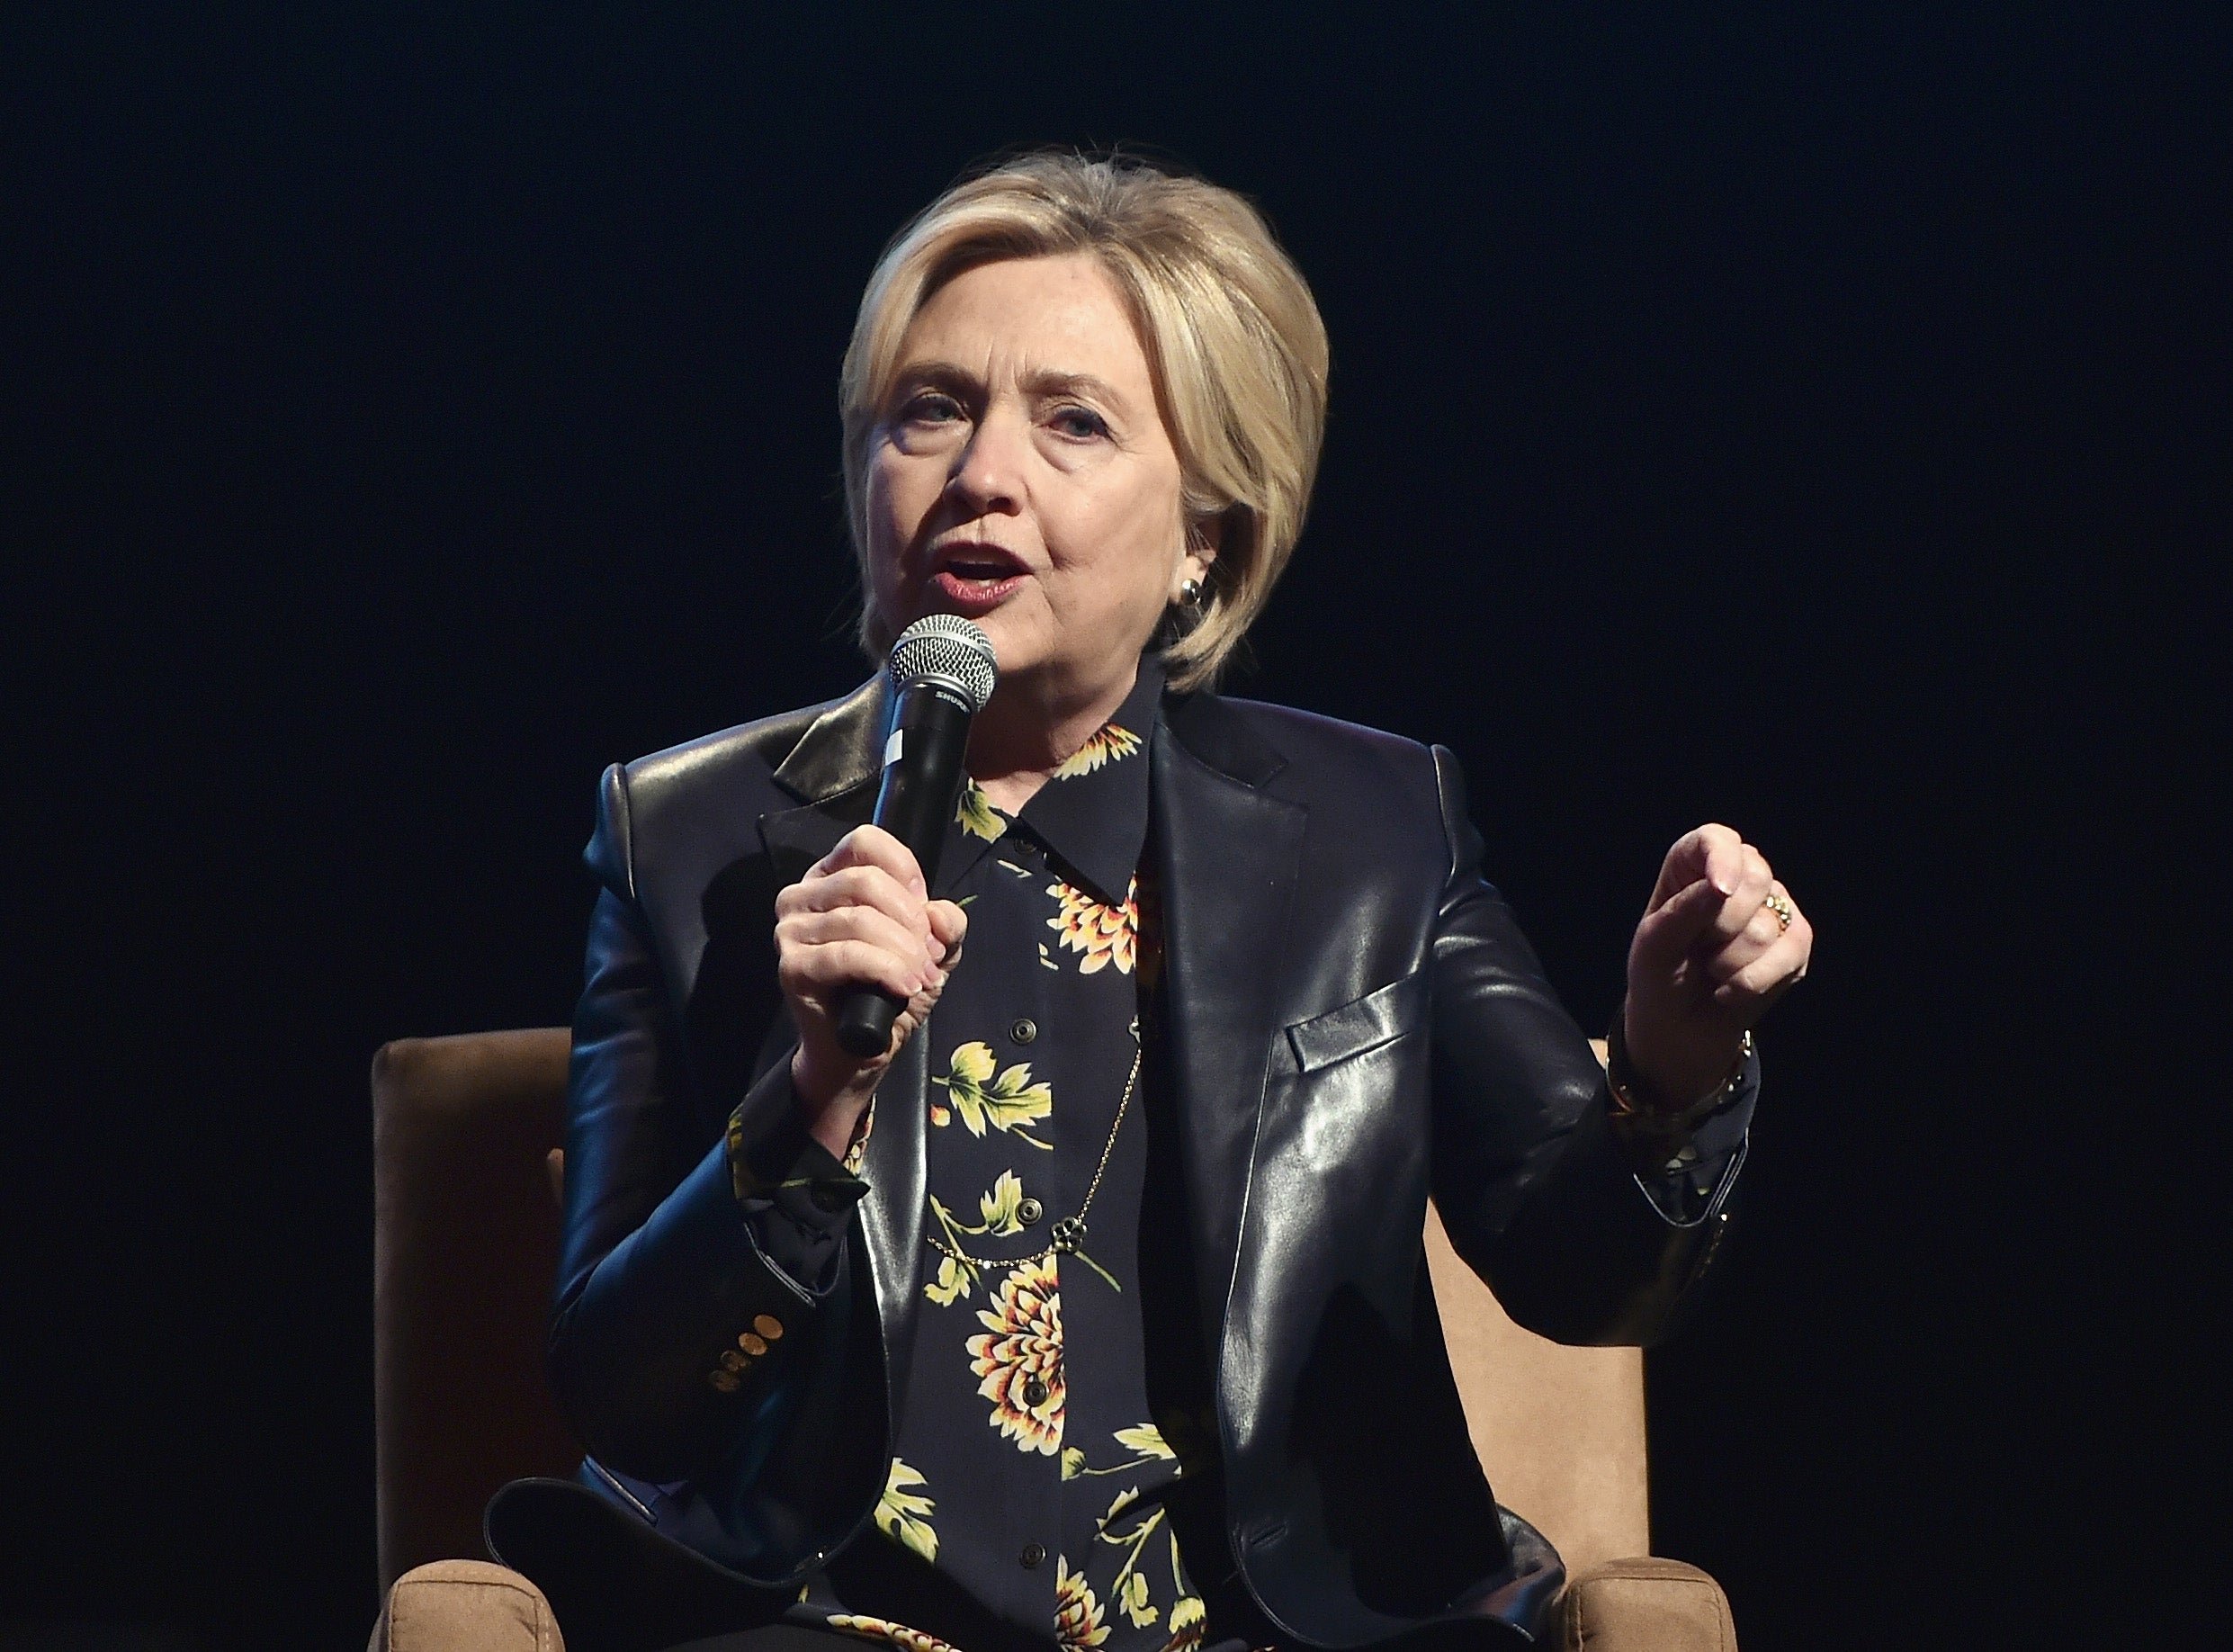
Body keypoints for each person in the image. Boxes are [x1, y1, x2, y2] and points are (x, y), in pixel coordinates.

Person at [487, 152, 1814, 1652]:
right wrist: (813, 1093)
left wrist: (1674, 1066)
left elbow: (1584, 1280)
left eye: (1073, 422)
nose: (979, 472)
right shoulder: (690, 839)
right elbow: (624, 1394)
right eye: (930, 408)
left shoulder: (1371, 832)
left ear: (1205, 535)